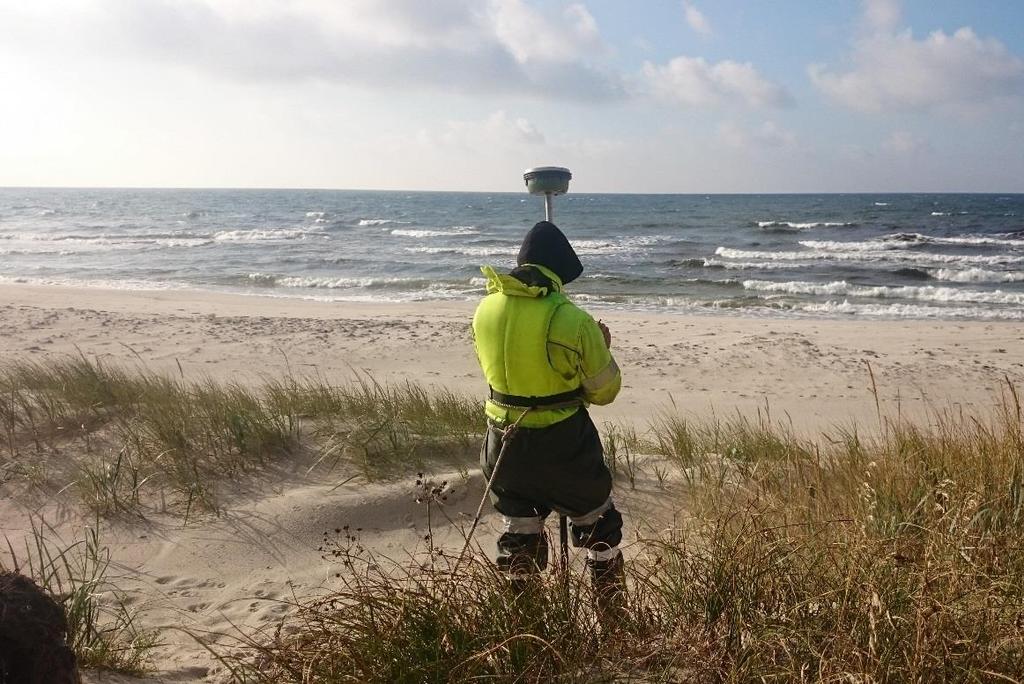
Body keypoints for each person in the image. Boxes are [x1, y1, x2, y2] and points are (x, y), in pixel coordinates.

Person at [472, 220, 624, 611]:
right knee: (599, 528)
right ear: (559, 273)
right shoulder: (572, 319)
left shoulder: (485, 309)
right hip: (563, 446)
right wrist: (601, 348)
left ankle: (523, 630)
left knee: (519, 534)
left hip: (502, 443)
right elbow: (604, 391)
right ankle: (614, 621)